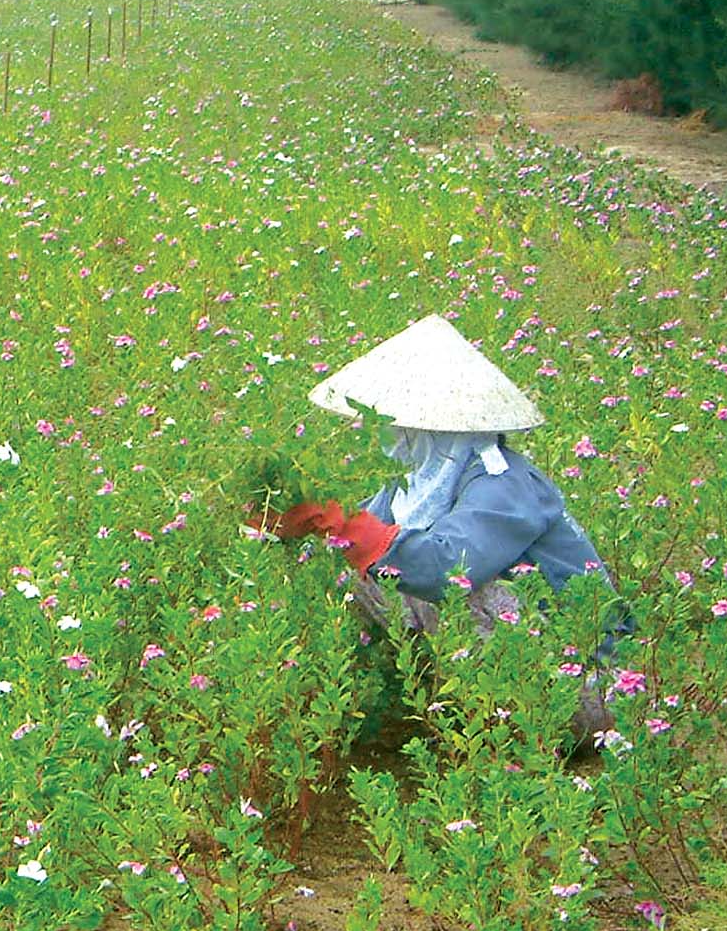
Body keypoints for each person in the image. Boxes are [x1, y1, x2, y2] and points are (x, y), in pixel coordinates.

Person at [250, 314, 621, 742]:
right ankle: (403, 700)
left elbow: (448, 567)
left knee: (465, 585)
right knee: (363, 571)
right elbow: (374, 538)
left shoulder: (505, 484)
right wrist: (297, 521)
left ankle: (511, 730)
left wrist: (351, 528)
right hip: (530, 670)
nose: (392, 435)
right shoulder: (419, 482)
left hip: (586, 685)